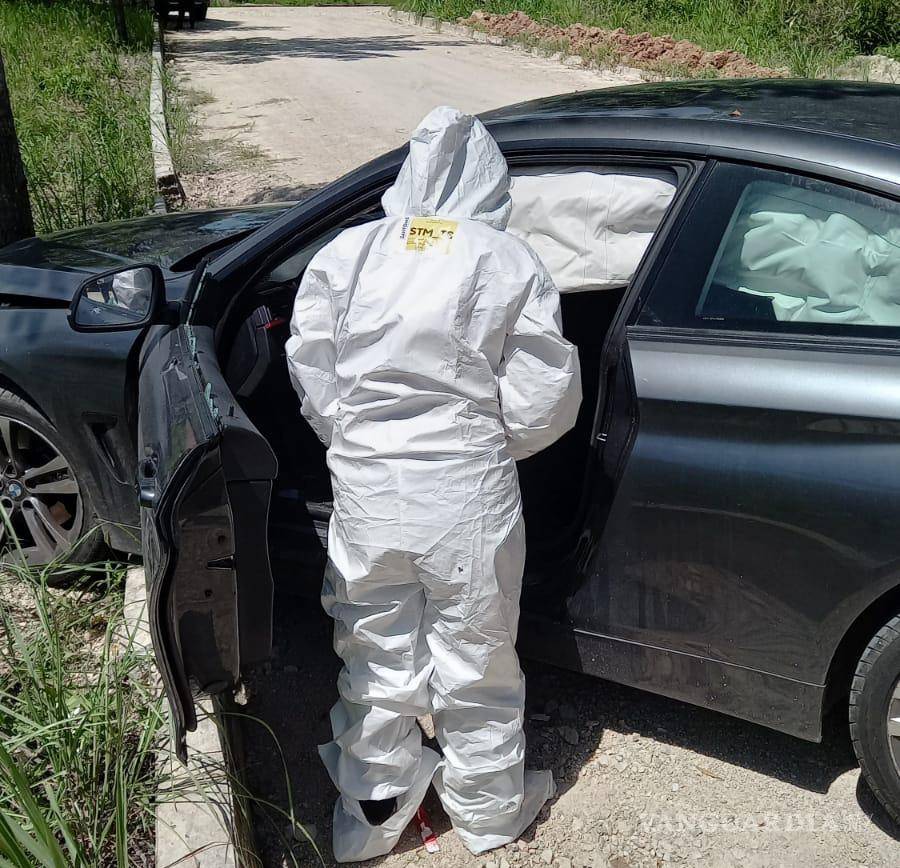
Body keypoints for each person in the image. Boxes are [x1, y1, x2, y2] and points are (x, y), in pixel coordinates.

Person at [286, 105, 581, 862]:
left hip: (368, 491)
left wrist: (354, 442)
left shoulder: (344, 254)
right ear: (489, 182)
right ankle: (486, 816)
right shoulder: (506, 259)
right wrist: (485, 444)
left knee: (374, 653)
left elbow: (311, 370)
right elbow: (547, 397)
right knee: (476, 655)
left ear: (407, 177)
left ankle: (371, 822)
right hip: (466, 492)